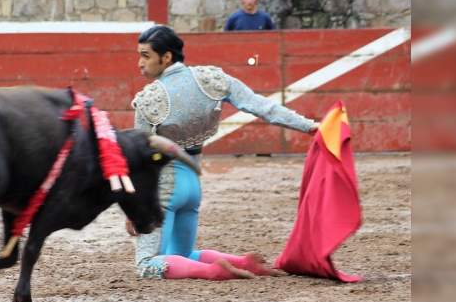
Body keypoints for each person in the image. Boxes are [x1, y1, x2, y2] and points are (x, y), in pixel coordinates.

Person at [127, 25, 318, 280]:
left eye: (146, 56)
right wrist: (310, 126)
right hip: (192, 186)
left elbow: (141, 159)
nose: (140, 63)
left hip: (165, 189)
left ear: (167, 57)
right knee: (182, 254)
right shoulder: (211, 78)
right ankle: (243, 263)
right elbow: (262, 106)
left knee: (147, 264)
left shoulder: (148, 99)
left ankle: (212, 270)